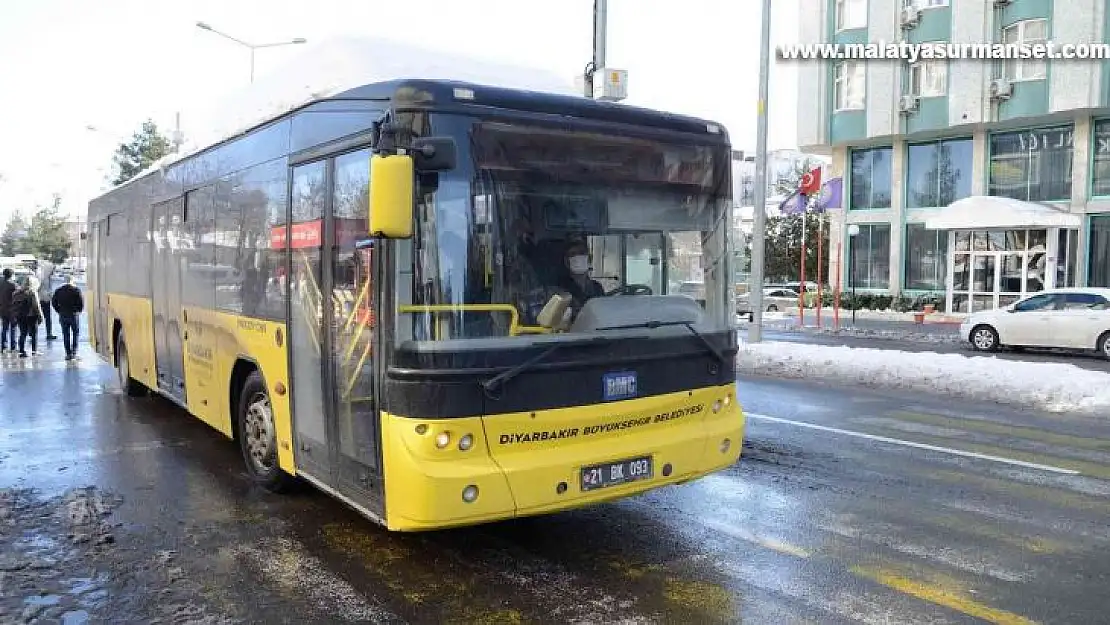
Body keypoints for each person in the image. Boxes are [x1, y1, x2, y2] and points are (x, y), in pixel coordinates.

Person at [557, 240, 605, 311]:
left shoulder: (597, 287)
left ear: (589, 259)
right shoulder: (560, 289)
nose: (578, 257)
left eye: (582, 253)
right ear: (566, 261)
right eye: (573, 254)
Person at [52, 275, 84, 360]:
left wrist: (59, 310)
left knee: (65, 334)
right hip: (73, 314)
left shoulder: (58, 290)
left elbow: (54, 303)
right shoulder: (76, 290)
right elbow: (81, 302)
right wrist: (78, 311)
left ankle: (68, 353)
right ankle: (74, 353)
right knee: (75, 334)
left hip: (63, 315)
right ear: (72, 281)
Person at [12, 276, 43, 358]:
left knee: (22, 334)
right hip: (31, 315)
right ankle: (34, 351)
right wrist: (40, 316)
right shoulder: (32, 292)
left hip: (20, 316)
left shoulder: (16, 293)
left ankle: (21, 351)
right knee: (34, 334)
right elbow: (36, 306)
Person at [35, 259, 57, 340]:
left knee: (47, 318)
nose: (53, 272)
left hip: (46, 299)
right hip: (40, 300)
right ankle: (32, 333)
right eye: (52, 270)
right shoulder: (41, 276)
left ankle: (49, 333)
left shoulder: (48, 277)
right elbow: (37, 287)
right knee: (38, 317)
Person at [0, 268, 15, 354]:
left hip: (2, 309)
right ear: (11, 275)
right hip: (12, 309)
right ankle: (13, 347)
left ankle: (3, 346)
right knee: (13, 328)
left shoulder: (0, 283)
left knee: (4, 328)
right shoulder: (13, 285)